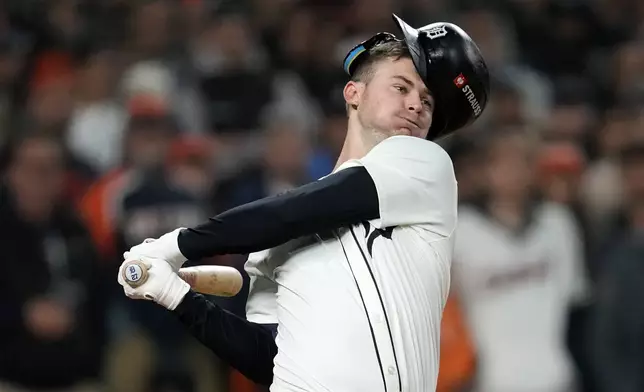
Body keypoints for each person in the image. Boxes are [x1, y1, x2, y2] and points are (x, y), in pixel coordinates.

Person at [117, 14, 489, 392]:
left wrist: (177, 245)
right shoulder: (278, 235)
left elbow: (294, 212)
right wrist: (176, 297)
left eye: (427, 102)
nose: (416, 105)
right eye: (401, 87)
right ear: (353, 93)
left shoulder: (426, 167)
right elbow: (269, 358)